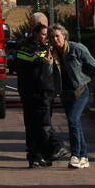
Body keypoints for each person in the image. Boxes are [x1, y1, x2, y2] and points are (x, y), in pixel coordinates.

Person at [49, 24, 95, 169]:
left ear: (64, 36)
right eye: (52, 37)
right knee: (75, 123)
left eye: (57, 36)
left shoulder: (76, 48)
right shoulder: (51, 53)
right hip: (65, 93)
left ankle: (75, 155)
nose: (55, 39)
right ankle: (84, 156)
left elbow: (93, 64)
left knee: (73, 120)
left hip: (81, 90)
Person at [15, 23, 61, 167]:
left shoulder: (43, 47)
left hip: (44, 91)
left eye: (47, 35)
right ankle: (47, 150)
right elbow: (32, 62)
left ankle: (38, 155)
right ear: (35, 33)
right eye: (43, 34)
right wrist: (43, 60)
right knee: (39, 124)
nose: (46, 37)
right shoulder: (28, 48)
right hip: (34, 92)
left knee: (37, 125)